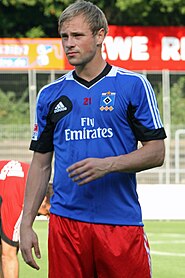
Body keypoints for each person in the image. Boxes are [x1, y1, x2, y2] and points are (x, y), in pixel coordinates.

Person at [20, 1, 166, 277]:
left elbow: (156, 152)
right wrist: (25, 224)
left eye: (77, 36)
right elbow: (40, 164)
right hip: (65, 225)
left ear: (100, 36)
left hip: (119, 224)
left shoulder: (132, 85)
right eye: (64, 37)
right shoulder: (50, 95)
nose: (69, 44)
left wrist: (107, 165)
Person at [0, 160, 51, 278]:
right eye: (47, 212)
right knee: (9, 252)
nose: (47, 216)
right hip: (9, 194)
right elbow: (8, 256)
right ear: (42, 200)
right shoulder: (17, 199)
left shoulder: (33, 176)